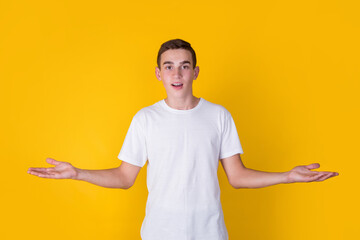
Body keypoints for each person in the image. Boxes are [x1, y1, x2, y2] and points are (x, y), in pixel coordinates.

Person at [28, 39, 339, 240]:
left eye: (184, 66)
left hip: (210, 234)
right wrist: (77, 173)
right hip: (159, 234)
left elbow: (238, 176)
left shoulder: (219, 116)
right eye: (169, 66)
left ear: (195, 72)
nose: (177, 73)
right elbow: (124, 177)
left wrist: (287, 176)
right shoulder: (145, 119)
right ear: (158, 74)